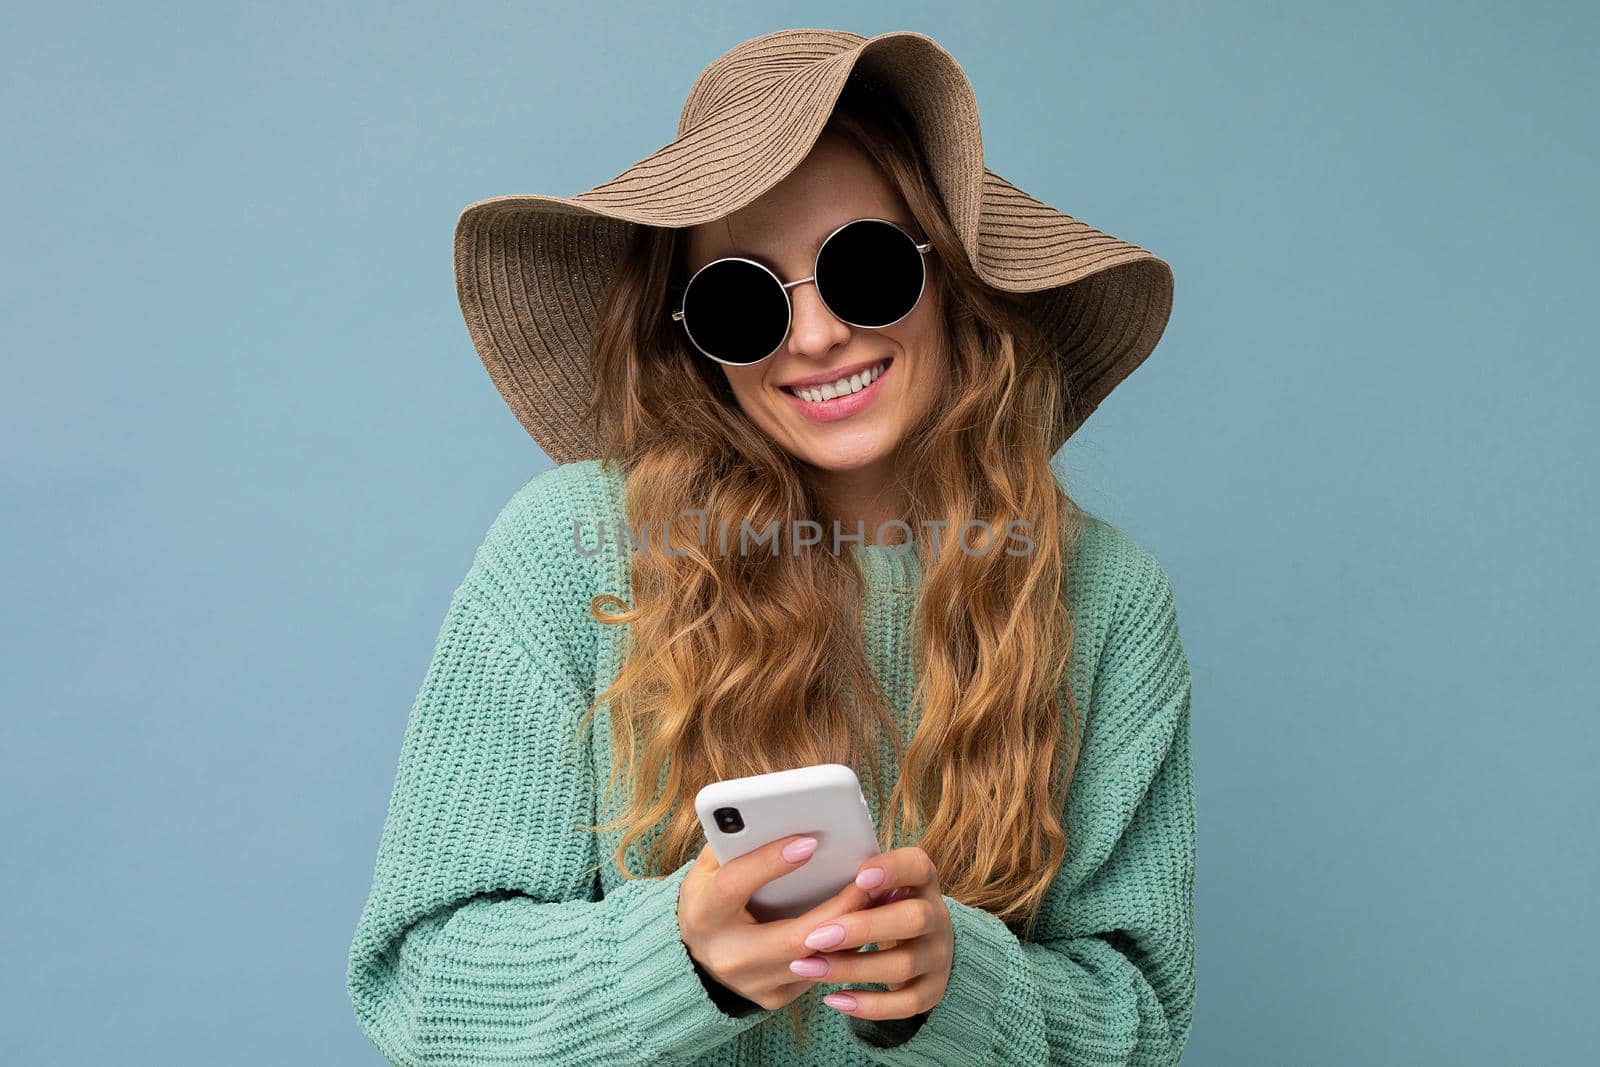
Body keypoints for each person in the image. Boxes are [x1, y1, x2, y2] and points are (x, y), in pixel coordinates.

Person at [347, 27, 1195, 1066]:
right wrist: (684, 957)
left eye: (867, 268)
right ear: (690, 343)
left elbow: (1142, 1025)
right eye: (743, 300)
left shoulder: (1103, 597)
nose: (816, 335)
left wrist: (954, 981)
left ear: (956, 279)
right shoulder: (572, 552)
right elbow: (423, 983)